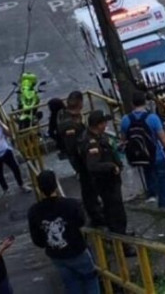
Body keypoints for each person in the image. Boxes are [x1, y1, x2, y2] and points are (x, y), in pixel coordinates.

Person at [27, 171, 100, 294]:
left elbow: (37, 240)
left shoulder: (34, 211)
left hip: (57, 255)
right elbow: (81, 221)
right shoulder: (71, 204)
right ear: (56, 185)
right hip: (77, 251)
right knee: (90, 280)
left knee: (71, 284)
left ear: (39, 188)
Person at [120, 91, 165, 209]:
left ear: (132, 103)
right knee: (162, 175)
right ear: (145, 102)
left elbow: (123, 140)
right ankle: (164, 201)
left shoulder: (125, 119)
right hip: (155, 154)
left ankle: (151, 194)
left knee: (147, 171)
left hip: (140, 154)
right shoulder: (152, 118)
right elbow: (164, 139)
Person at [57, 92, 105, 227]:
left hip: (84, 159)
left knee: (91, 187)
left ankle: (96, 210)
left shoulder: (71, 117)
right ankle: (95, 215)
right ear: (80, 103)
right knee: (88, 187)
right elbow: (73, 147)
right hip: (82, 161)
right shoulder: (69, 124)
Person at [81, 111, 130, 236]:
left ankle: (121, 233)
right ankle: (120, 238)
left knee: (115, 210)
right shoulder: (92, 142)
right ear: (98, 125)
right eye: (104, 123)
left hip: (111, 181)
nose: (106, 126)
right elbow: (93, 165)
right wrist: (111, 166)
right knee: (115, 211)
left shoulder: (100, 137)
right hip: (106, 182)